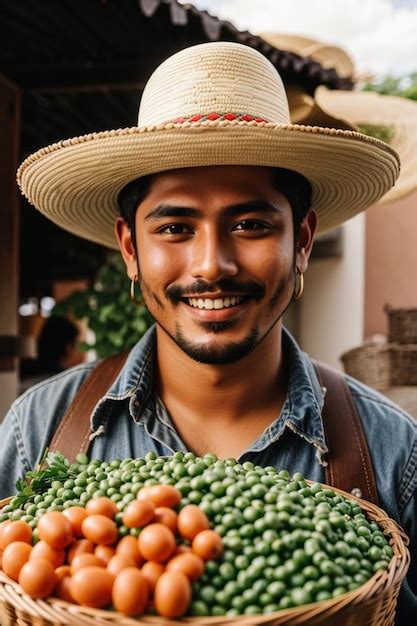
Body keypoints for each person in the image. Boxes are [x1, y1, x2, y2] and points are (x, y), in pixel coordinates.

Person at [1, 42, 415, 622]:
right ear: (130, 247)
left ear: (300, 241)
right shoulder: (38, 431)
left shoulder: (393, 454)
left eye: (250, 224)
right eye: (174, 227)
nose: (210, 264)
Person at [19, 316, 83, 393]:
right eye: (75, 345)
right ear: (68, 347)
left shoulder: (22, 370)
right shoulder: (67, 380)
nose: (77, 350)